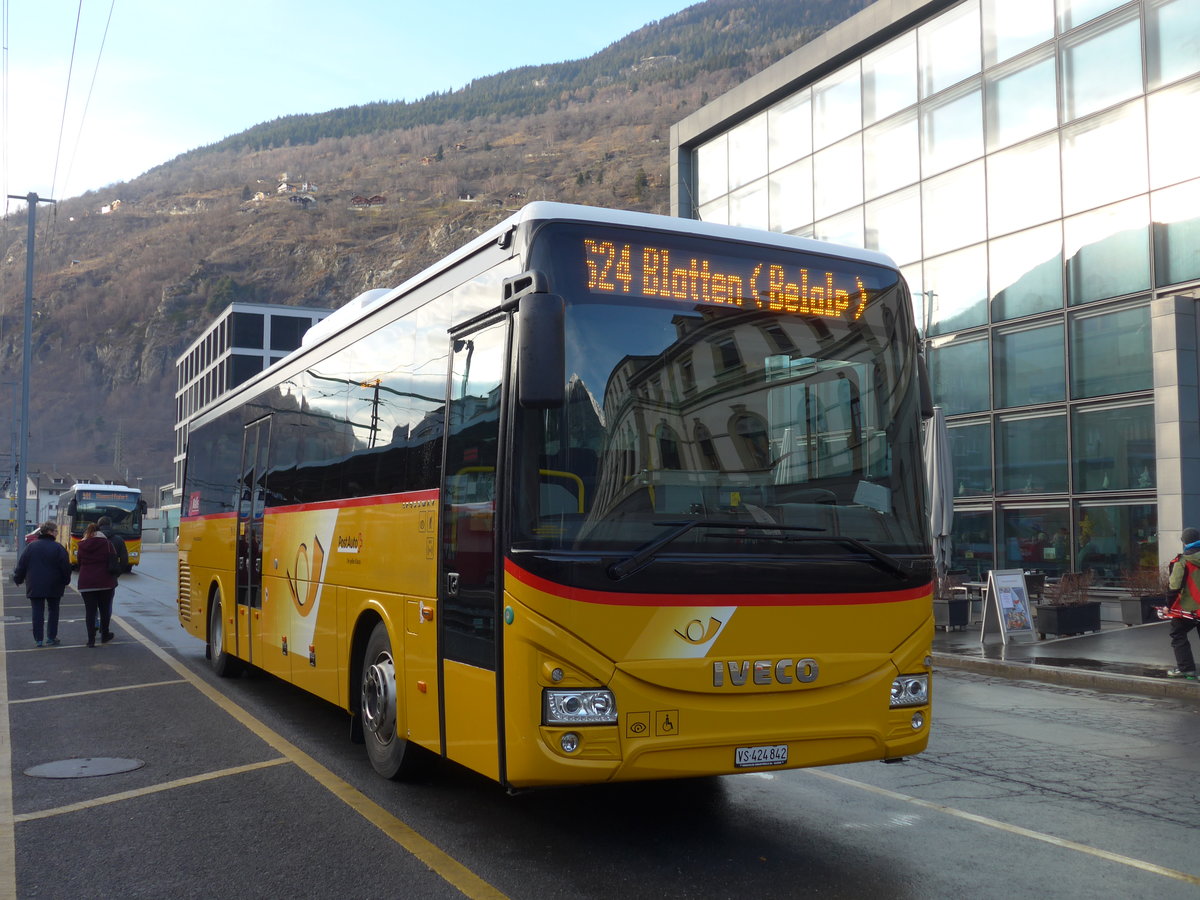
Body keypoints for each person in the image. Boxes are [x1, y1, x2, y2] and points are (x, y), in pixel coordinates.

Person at [11, 521, 71, 647]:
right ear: (50, 532)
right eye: (55, 531)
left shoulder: (31, 547)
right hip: (55, 585)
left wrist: (18, 579)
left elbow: (22, 565)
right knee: (53, 611)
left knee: (37, 611)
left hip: (35, 584)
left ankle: (38, 639)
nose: (57, 533)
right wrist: (66, 581)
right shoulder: (58, 548)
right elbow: (65, 567)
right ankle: (51, 637)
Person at [1165, 526, 1200, 679]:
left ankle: (1186, 668)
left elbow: (1174, 587)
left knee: (1177, 633)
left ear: (1185, 542)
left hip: (1189, 608)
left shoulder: (1182, 561)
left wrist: (1168, 606)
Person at [76, 521, 118, 647]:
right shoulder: (107, 544)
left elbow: (79, 562)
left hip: (86, 583)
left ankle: (91, 640)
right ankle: (104, 635)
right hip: (105, 581)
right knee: (105, 610)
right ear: (100, 531)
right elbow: (114, 560)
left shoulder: (82, 545)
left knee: (90, 612)